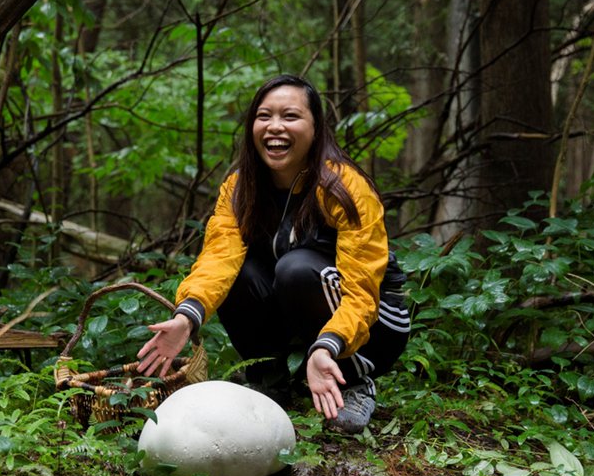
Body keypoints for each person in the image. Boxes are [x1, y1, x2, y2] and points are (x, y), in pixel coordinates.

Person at [136, 74, 410, 433]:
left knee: (295, 268)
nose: (275, 127)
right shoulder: (240, 189)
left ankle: (355, 383)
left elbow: (362, 293)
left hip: (375, 323)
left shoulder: (344, 187)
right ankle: (270, 382)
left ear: (315, 129)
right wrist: (187, 317)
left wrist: (327, 346)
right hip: (296, 308)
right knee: (242, 272)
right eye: (264, 116)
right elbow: (219, 259)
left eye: (291, 117)